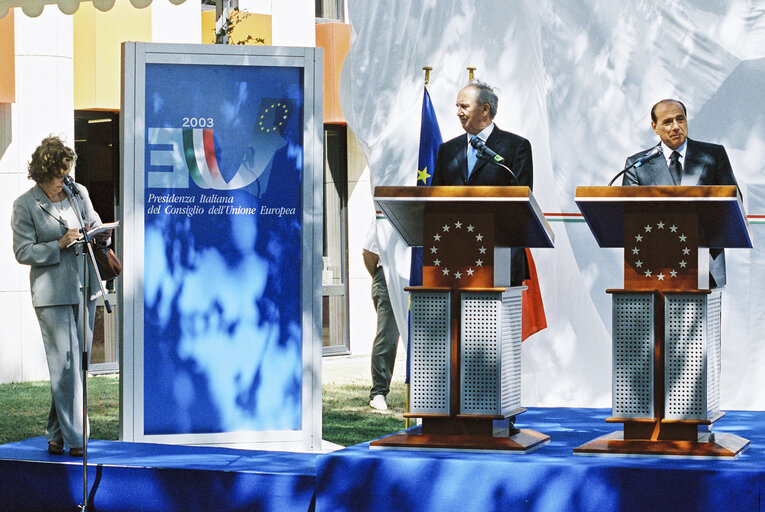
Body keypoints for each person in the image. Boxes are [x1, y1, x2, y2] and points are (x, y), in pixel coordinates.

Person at [11, 136, 107, 456]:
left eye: (68, 171)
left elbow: (93, 224)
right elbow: (23, 252)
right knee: (64, 368)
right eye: (59, 174)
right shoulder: (25, 204)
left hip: (85, 285)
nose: (64, 180)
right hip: (52, 293)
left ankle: (55, 434)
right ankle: (78, 439)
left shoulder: (78, 194)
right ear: (43, 173)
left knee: (76, 367)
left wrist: (100, 233)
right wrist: (60, 244)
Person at [622, 99, 738, 287]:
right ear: (655, 127)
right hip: (655, 266)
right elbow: (629, 217)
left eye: (680, 119)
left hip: (704, 265)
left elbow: (732, 203)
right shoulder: (638, 165)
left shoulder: (713, 155)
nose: (676, 127)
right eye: (667, 122)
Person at [431, 80, 533, 286]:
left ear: (485, 109)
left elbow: (521, 200)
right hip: (454, 255)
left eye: (464, 106)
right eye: (457, 106)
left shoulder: (516, 147)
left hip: (500, 254)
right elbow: (435, 198)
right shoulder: (448, 150)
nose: (458, 112)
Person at [363, 221, 400, 411]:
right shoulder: (383, 215)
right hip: (387, 276)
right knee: (388, 336)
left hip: (418, 274)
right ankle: (379, 392)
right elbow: (368, 253)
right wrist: (381, 277)